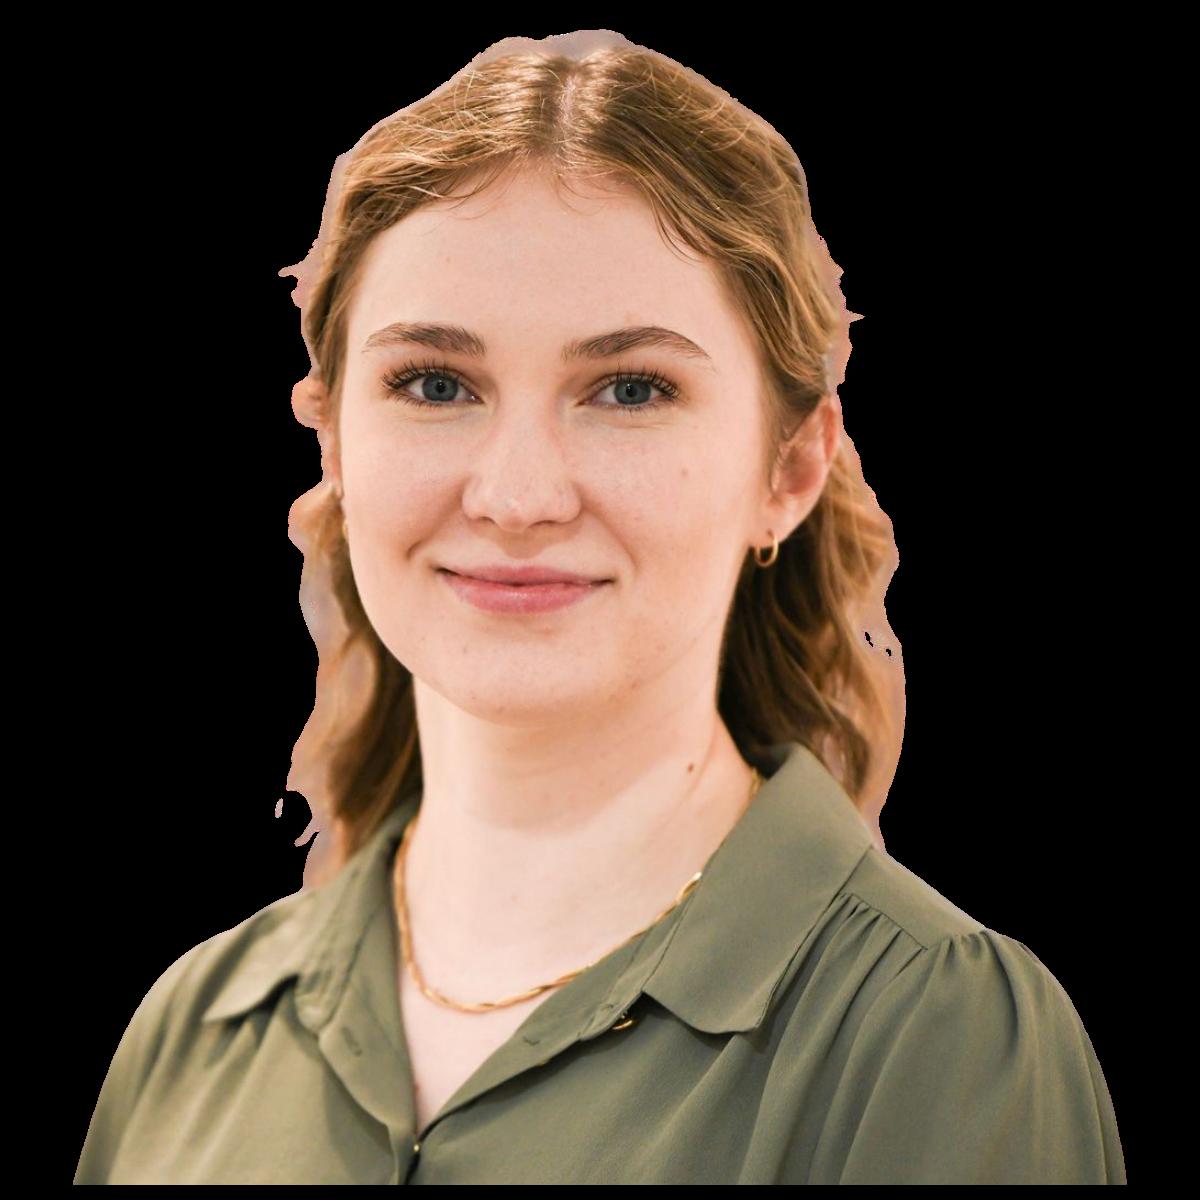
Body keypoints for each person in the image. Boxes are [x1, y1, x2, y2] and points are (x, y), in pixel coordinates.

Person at [74, 33, 1124, 1185]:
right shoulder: (192, 1033)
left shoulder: (931, 1036)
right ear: (332, 441)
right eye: (434, 384)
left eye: (630, 389)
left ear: (789, 468)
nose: (517, 496)